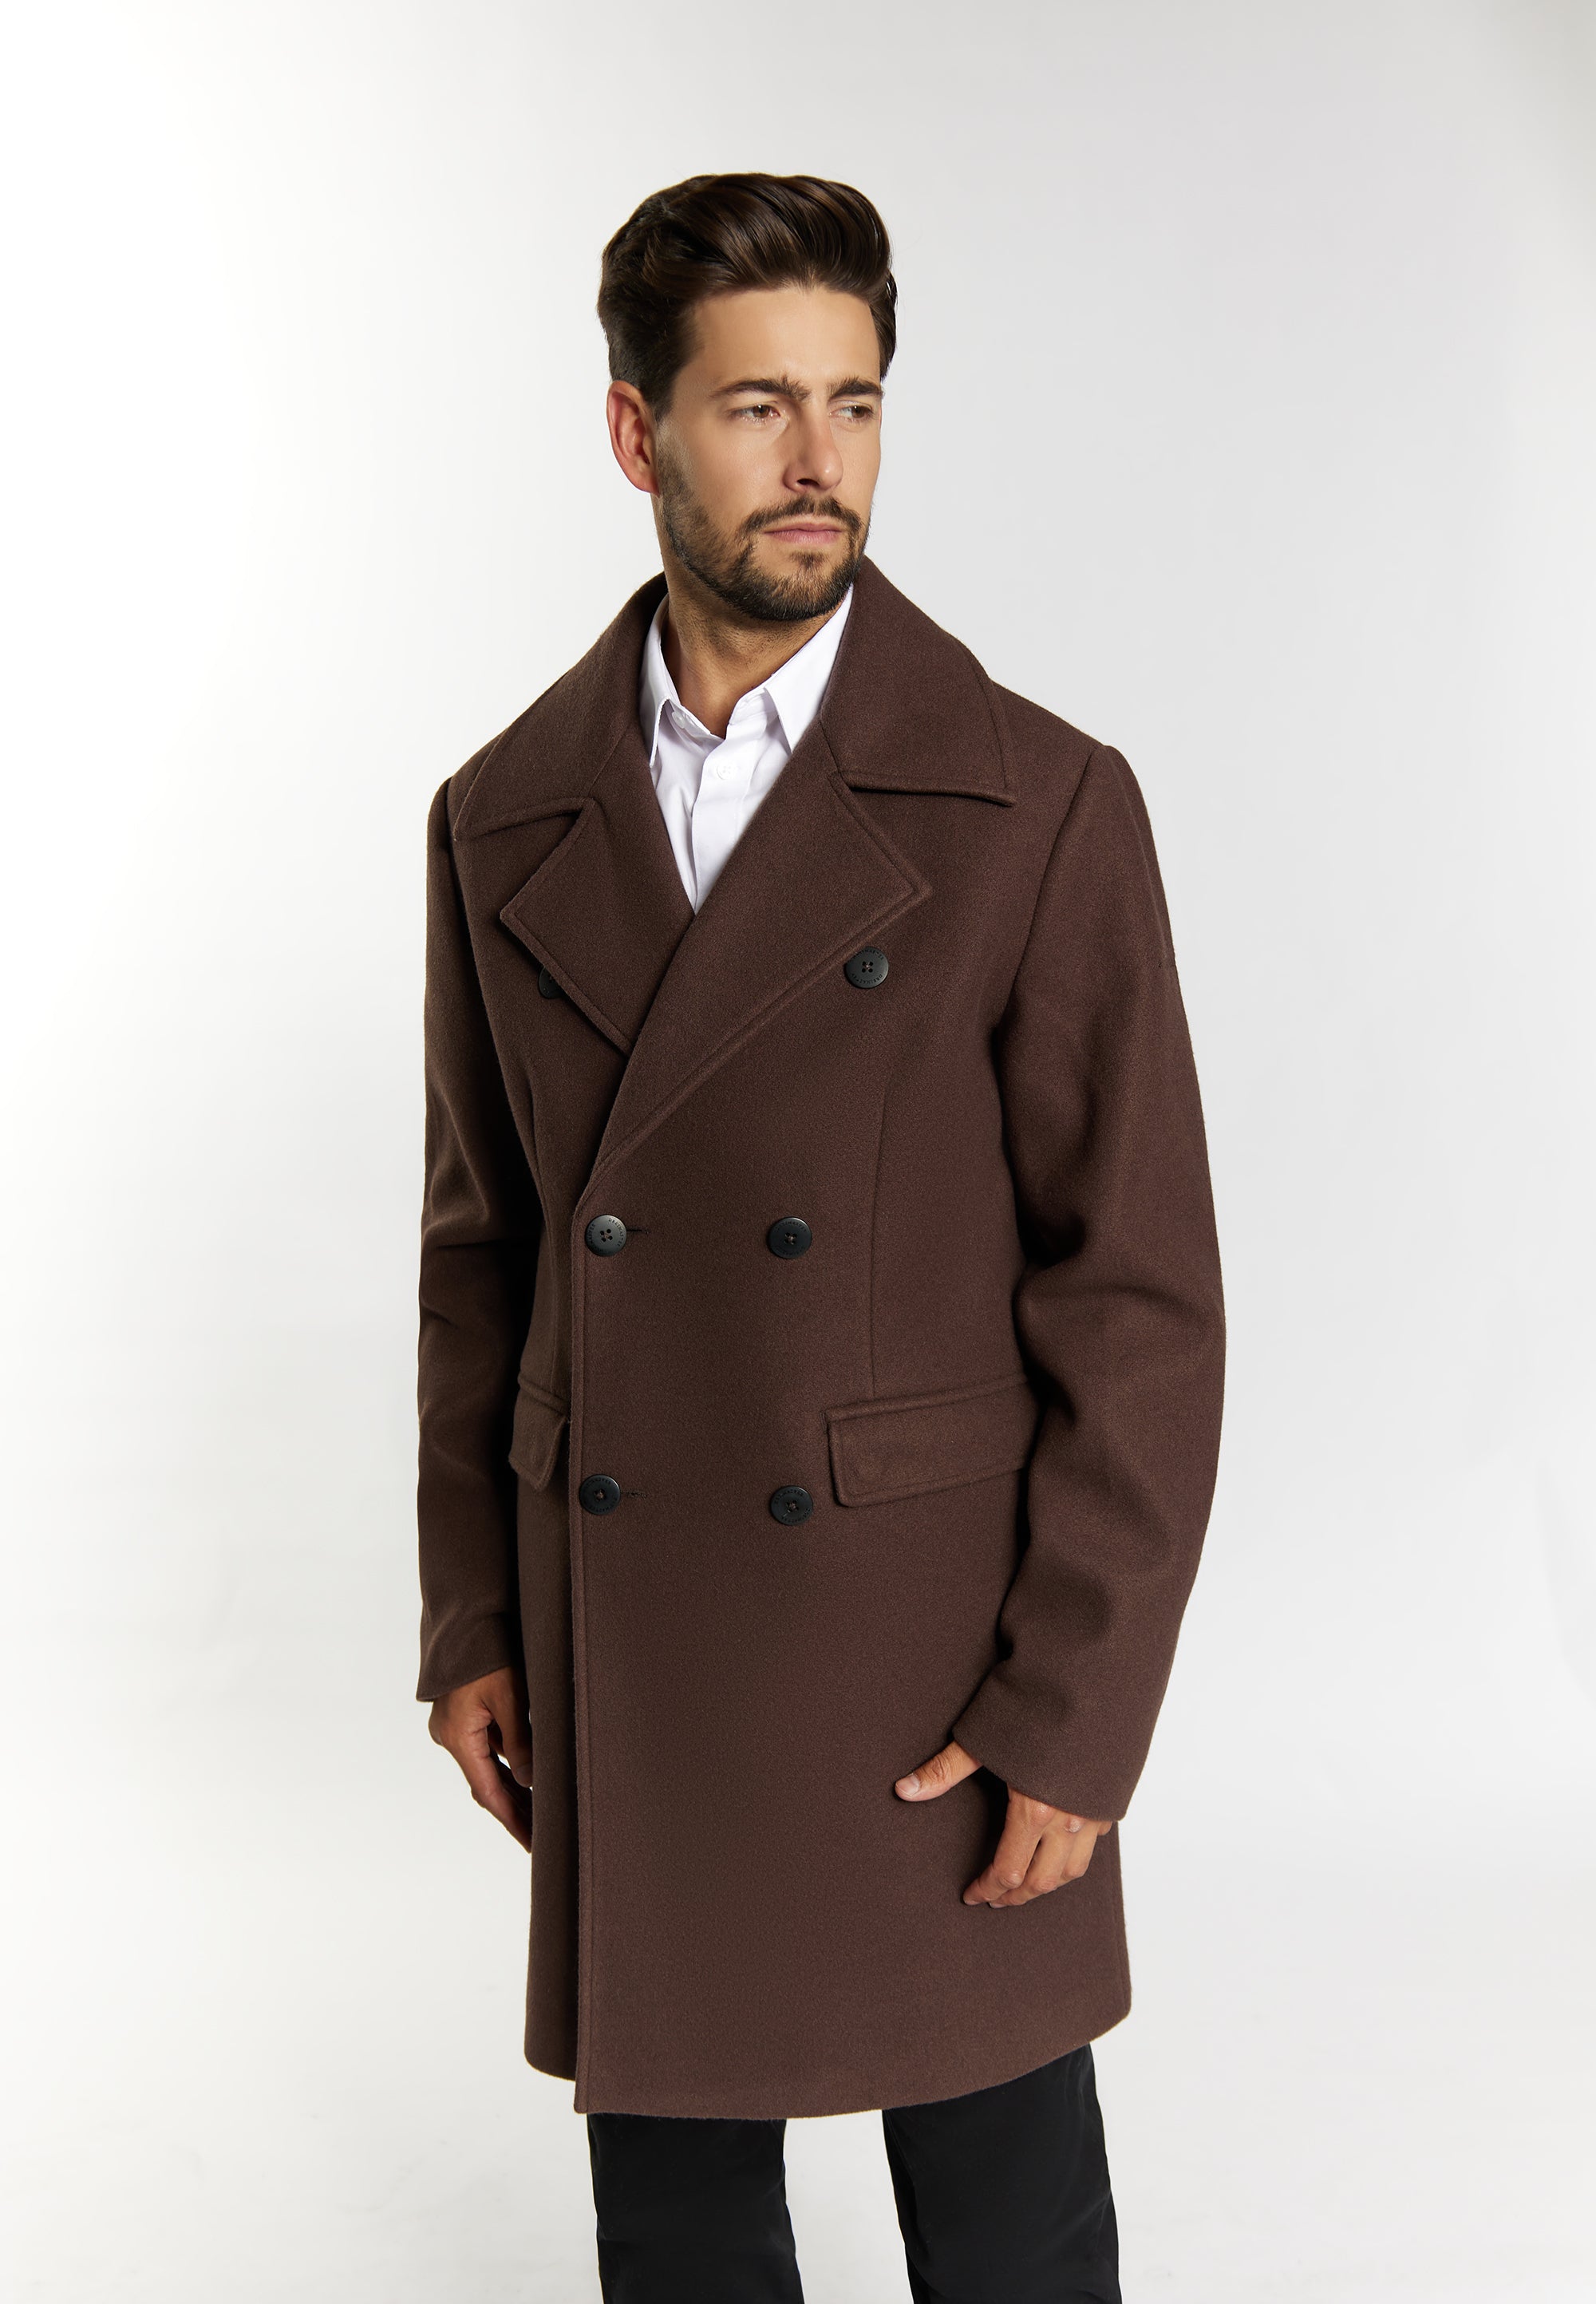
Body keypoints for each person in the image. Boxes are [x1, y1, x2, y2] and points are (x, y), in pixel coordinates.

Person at [417, 171, 1225, 2303]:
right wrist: (470, 1612)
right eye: (757, 406)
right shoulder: (501, 816)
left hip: (929, 1651)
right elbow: (483, 1251)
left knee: (1008, 2206)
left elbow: (1138, 1294)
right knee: (682, 2218)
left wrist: (1079, 1705)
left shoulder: (1037, 803)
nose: (817, 461)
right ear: (637, 433)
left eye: (853, 404)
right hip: (637, 1618)